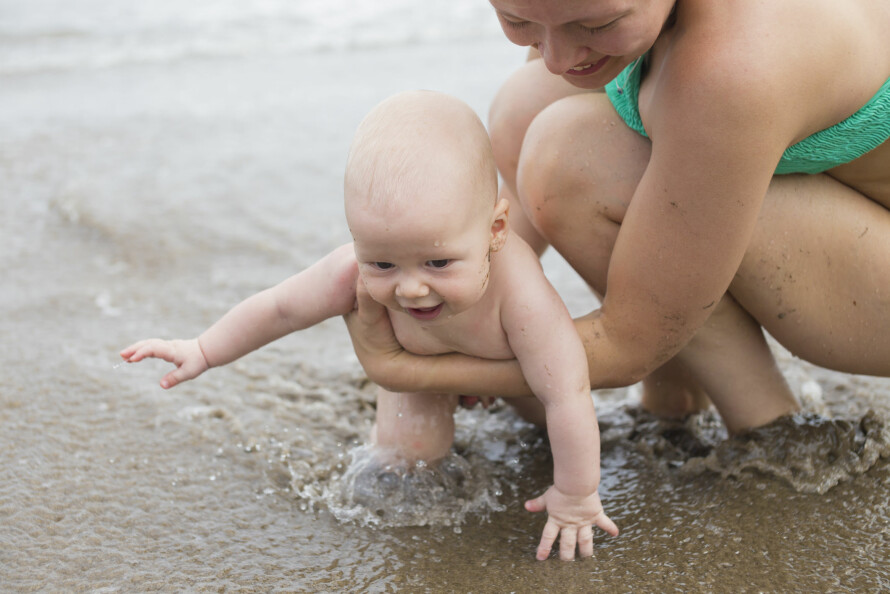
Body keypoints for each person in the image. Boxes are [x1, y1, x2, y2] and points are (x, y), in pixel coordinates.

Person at [342, 0, 890, 436]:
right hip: (834, 209)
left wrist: (413, 368)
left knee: (573, 158)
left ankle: (771, 431)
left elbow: (627, 343)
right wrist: (455, 296)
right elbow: (507, 220)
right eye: (517, 20)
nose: (556, 55)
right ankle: (675, 398)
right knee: (526, 106)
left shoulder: (734, 64)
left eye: (596, 24)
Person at [120, 90, 618, 561]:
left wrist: (576, 494)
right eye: (383, 263)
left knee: (548, 424)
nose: (411, 289)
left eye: (438, 262)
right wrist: (204, 349)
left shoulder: (520, 294)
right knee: (408, 462)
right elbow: (280, 309)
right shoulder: (353, 270)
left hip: (510, 363)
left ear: (495, 230)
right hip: (416, 371)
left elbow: (567, 390)